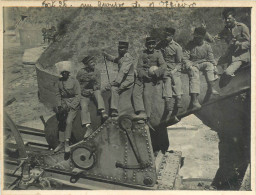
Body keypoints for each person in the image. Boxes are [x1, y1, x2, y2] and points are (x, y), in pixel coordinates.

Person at [183, 27, 219, 110]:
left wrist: (214, 66)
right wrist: (189, 65)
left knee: (209, 65)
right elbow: (185, 57)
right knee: (194, 73)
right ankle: (195, 100)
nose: (197, 39)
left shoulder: (207, 46)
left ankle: (211, 88)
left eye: (199, 37)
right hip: (193, 63)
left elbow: (211, 57)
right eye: (195, 37)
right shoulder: (190, 45)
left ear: (203, 38)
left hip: (203, 62)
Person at [133, 37, 166, 119]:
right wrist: (144, 74)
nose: (151, 46)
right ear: (146, 45)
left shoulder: (158, 53)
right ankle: (140, 111)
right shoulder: (142, 54)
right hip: (142, 77)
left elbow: (163, 65)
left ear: (154, 45)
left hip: (151, 79)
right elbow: (139, 67)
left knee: (146, 94)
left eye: (152, 44)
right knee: (135, 92)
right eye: (149, 44)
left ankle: (147, 116)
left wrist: (156, 73)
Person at [76, 55, 108, 139]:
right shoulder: (81, 73)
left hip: (92, 91)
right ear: (87, 65)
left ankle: (103, 112)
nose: (93, 64)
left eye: (94, 62)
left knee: (97, 93)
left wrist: (93, 86)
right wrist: (83, 91)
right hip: (83, 94)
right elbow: (77, 86)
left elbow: (98, 85)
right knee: (84, 107)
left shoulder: (97, 71)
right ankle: (88, 127)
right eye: (91, 62)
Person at [54, 61, 81, 153]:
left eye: (66, 72)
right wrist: (59, 105)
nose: (64, 74)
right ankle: (61, 142)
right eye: (62, 72)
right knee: (61, 121)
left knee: (68, 121)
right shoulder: (59, 82)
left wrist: (72, 105)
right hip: (63, 103)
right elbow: (58, 95)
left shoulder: (74, 81)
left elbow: (78, 95)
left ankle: (66, 143)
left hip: (73, 103)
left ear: (68, 73)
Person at [103, 41, 135, 117]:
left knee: (114, 89)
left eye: (122, 48)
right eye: (119, 48)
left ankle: (114, 110)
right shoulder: (122, 56)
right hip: (122, 79)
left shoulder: (128, 58)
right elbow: (115, 59)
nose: (120, 50)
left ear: (126, 49)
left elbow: (122, 71)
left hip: (128, 80)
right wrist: (107, 56)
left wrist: (115, 83)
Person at [215, 8, 250, 76]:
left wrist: (239, 44)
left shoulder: (242, 27)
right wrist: (204, 34)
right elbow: (216, 37)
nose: (227, 21)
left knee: (227, 72)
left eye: (229, 18)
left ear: (234, 17)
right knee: (214, 63)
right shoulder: (226, 29)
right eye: (225, 19)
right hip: (230, 55)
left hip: (241, 56)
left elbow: (251, 43)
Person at [157, 27, 183, 112]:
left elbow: (179, 63)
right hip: (165, 68)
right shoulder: (161, 45)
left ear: (172, 36)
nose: (165, 37)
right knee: (166, 81)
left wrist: (174, 70)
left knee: (176, 80)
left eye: (168, 35)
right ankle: (168, 102)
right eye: (165, 35)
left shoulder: (177, 47)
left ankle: (178, 99)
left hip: (174, 68)